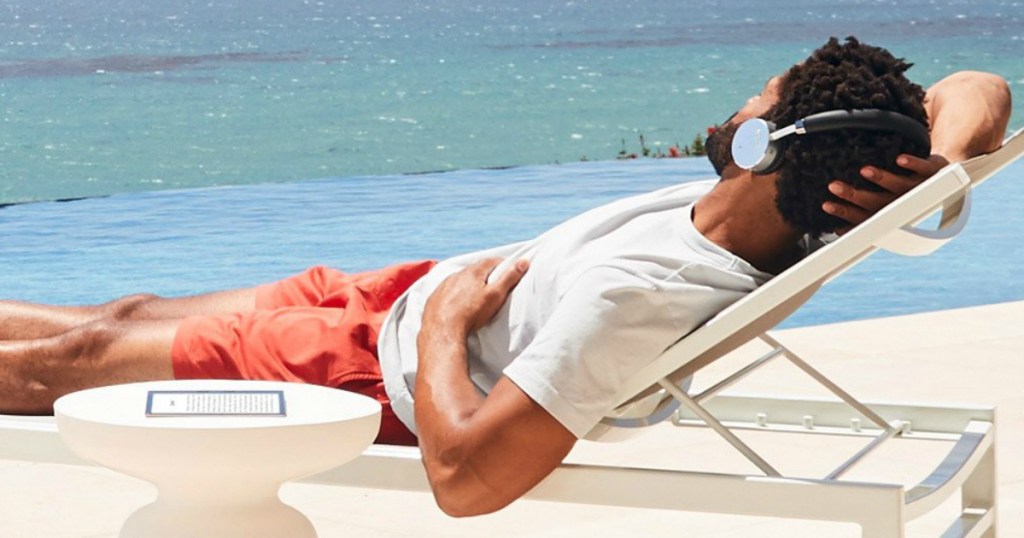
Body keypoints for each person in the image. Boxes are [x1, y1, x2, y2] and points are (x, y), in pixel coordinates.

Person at [0, 37, 1011, 516]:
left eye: (755, 99)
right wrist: (946, 167)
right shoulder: (813, 194)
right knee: (120, 313)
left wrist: (444, 326)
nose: (734, 105)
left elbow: (468, 480)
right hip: (397, 299)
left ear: (763, 142)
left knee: (75, 361)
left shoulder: (639, 295)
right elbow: (980, 84)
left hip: (374, 366)